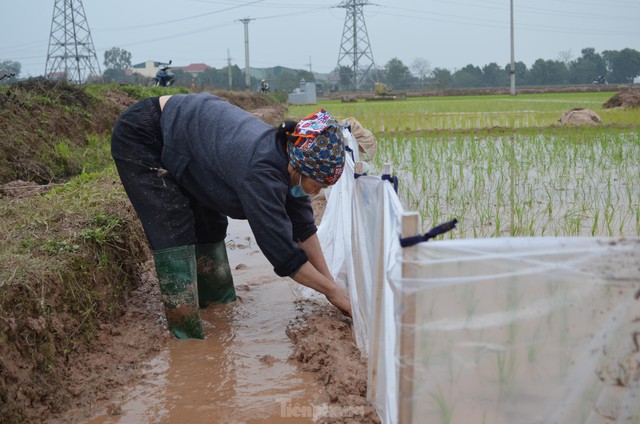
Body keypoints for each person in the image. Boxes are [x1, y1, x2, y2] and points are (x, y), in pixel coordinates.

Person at [111, 92, 351, 339]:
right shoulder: (262, 172)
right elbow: (284, 255)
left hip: (189, 140)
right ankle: (188, 337)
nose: (318, 192)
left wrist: (330, 283)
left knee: (210, 225)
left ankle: (218, 309)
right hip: (146, 132)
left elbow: (303, 229)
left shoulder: (290, 157)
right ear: (297, 167)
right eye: (318, 185)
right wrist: (332, 292)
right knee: (174, 229)